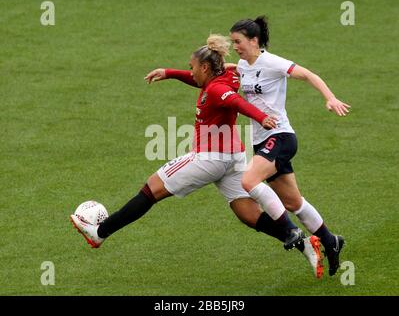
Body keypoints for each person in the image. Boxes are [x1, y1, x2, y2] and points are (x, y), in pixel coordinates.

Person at [70, 34, 322, 277]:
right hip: (233, 157)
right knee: (248, 214)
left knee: (151, 189)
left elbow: (236, 102)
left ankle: (100, 232)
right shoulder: (222, 78)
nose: (190, 72)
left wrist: (261, 117)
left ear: (205, 66)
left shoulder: (216, 90)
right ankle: (303, 244)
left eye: (191, 67)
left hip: (209, 158)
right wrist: (169, 73)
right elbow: (204, 84)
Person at [229, 16, 350, 276]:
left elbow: (308, 75)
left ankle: (290, 231)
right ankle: (331, 241)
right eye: (232, 42)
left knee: (248, 181)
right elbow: (231, 69)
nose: (235, 46)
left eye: (238, 42)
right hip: (262, 141)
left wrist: (330, 98)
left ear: (254, 40)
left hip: (281, 137)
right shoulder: (242, 65)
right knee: (294, 203)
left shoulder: (272, 62)